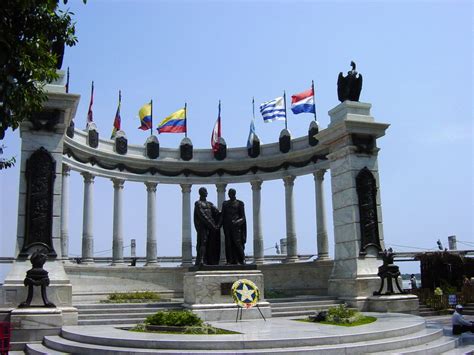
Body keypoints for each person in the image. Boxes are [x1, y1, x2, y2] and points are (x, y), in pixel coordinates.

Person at [193, 187, 221, 266]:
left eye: (206, 191)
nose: (206, 193)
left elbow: (217, 212)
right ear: (201, 193)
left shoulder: (209, 204)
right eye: (204, 191)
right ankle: (201, 260)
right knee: (203, 242)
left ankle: (211, 260)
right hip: (203, 227)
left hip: (211, 227)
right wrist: (212, 225)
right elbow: (202, 215)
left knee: (211, 243)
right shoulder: (198, 203)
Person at [221, 188, 247, 265]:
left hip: (236, 227)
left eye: (231, 193)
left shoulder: (240, 203)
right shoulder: (225, 204)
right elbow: (222, 216)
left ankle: (242, 259)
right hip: (227, 227)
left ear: (234, 194)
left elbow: (243, 217)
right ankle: (229, 260)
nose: (229, 195)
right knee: (228, 244)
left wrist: (236, 222)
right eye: (229, 193)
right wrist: (217, 226)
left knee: (238, 243)